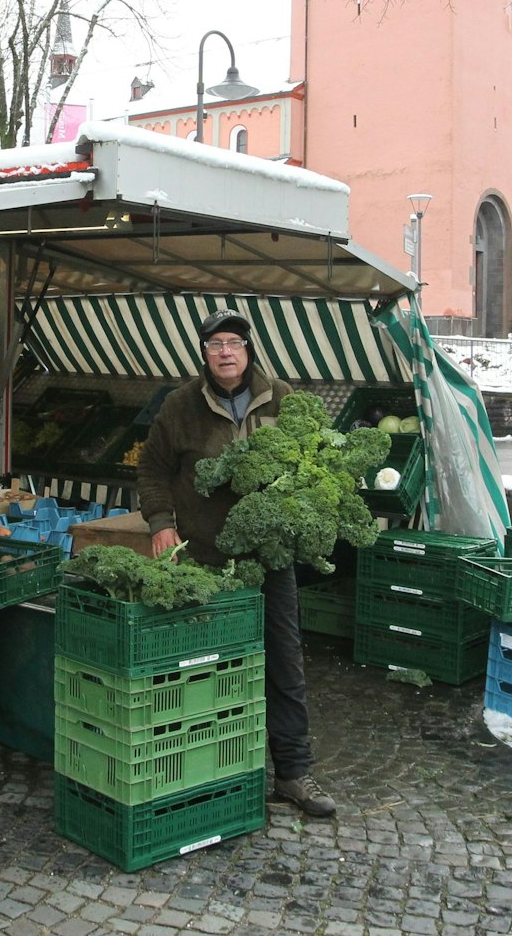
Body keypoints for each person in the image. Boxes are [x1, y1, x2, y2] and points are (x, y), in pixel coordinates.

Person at [137, 309, 335, 818]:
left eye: (234, 342)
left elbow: (314, 464)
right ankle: (205, 772)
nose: (225, 352)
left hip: (269, 558)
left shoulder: (282, 399)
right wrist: (161, 523)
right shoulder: (180, 405)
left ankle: (292, 773)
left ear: (248, 349)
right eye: (214, 344)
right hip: (202, 558)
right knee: (202, 665)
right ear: (204, 353)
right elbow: (152, 470)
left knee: (283, 663)